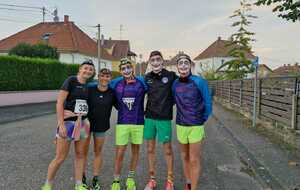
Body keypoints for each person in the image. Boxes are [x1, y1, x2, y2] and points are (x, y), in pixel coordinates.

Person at [41, 60, 95, 190]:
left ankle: (78, 185)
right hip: (68, 123)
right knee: (60, 157)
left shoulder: (89, 86)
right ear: (80, 69)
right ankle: (47, 185)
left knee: (80, 155)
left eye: (90, 69)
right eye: (85, 68)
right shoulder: (71, 81)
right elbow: (59, 103)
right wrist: (61, 125)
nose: (87, 71)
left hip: (83, 123)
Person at [172, 54, 212, 190]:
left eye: (186, 63)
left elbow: (208, 104)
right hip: (180, 125)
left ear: (190, 66)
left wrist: (201, 120)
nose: (183, 65)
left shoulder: (200, 82)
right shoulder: (175, 84)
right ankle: (188, 184)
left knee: (194, 159)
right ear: (177, 67)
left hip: (195, 125)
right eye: (180, 63)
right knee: (184, 156)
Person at [109, 58, 147, 190]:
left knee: (135, 151)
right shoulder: (116, 83)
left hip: (138, 122)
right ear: (120, 71)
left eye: (128, 67)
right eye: (123, 68)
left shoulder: (141, 82)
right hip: (123, 123)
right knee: (120, 152)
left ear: (132, 68)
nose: (126, 70)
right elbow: (101, 85)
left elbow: (155, 92)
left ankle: (130, 178)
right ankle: (116, 180)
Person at [143, 51, 177, 190]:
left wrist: (169, 104)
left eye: (158, 59)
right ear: (150, 62)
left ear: (162, 61)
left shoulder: (171, 76)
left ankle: (170, 180)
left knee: (167, 150)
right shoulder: (147, 77)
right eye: (153, 60)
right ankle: (152, 180)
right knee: (150, 149)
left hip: (164, 118)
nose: (156, 62)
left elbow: (179, 90)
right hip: (150, 118)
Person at [82, 68, 117, 190]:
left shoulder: (112, 92)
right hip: (86, 125)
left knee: (98, 152)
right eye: (102, 76)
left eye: (107, 76)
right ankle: (82, 178)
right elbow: (79, 102)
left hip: (101, 127)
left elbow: (121, 106)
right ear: (98, 76)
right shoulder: (90, 89)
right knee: (83, 153)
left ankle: (95, 179)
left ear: (110, 78)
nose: (105, 78)